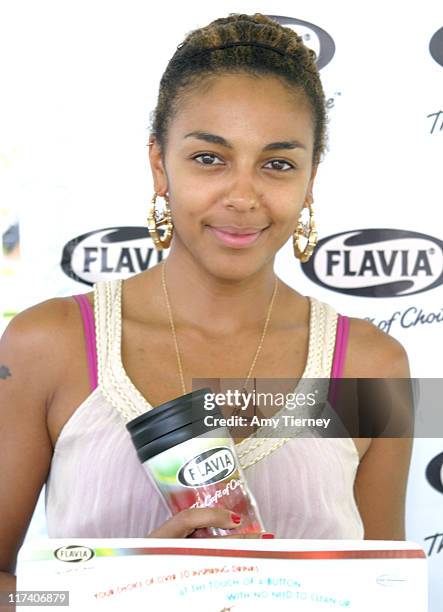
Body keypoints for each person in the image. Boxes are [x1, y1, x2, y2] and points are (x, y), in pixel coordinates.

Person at [0, 13, 413, 592]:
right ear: (158, 165)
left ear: (311, 178)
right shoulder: (48, 344)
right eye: (209, 158)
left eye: (277, 164)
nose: (242, 196)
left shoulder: (372, 366)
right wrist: (112, 594)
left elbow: (384, 594)